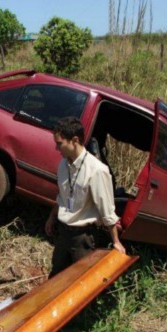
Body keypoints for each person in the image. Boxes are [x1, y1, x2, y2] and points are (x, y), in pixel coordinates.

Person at [45, 117, 125, 277]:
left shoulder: (97, 170)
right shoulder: (63, 165)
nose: (56, 148)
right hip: (63, 233)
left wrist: (116, 241)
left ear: (74, 140)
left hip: (82, 238)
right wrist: (51, 217)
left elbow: (107, 210)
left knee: (81, 280)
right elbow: (62, 196)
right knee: (56, 277)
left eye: (59, 143)